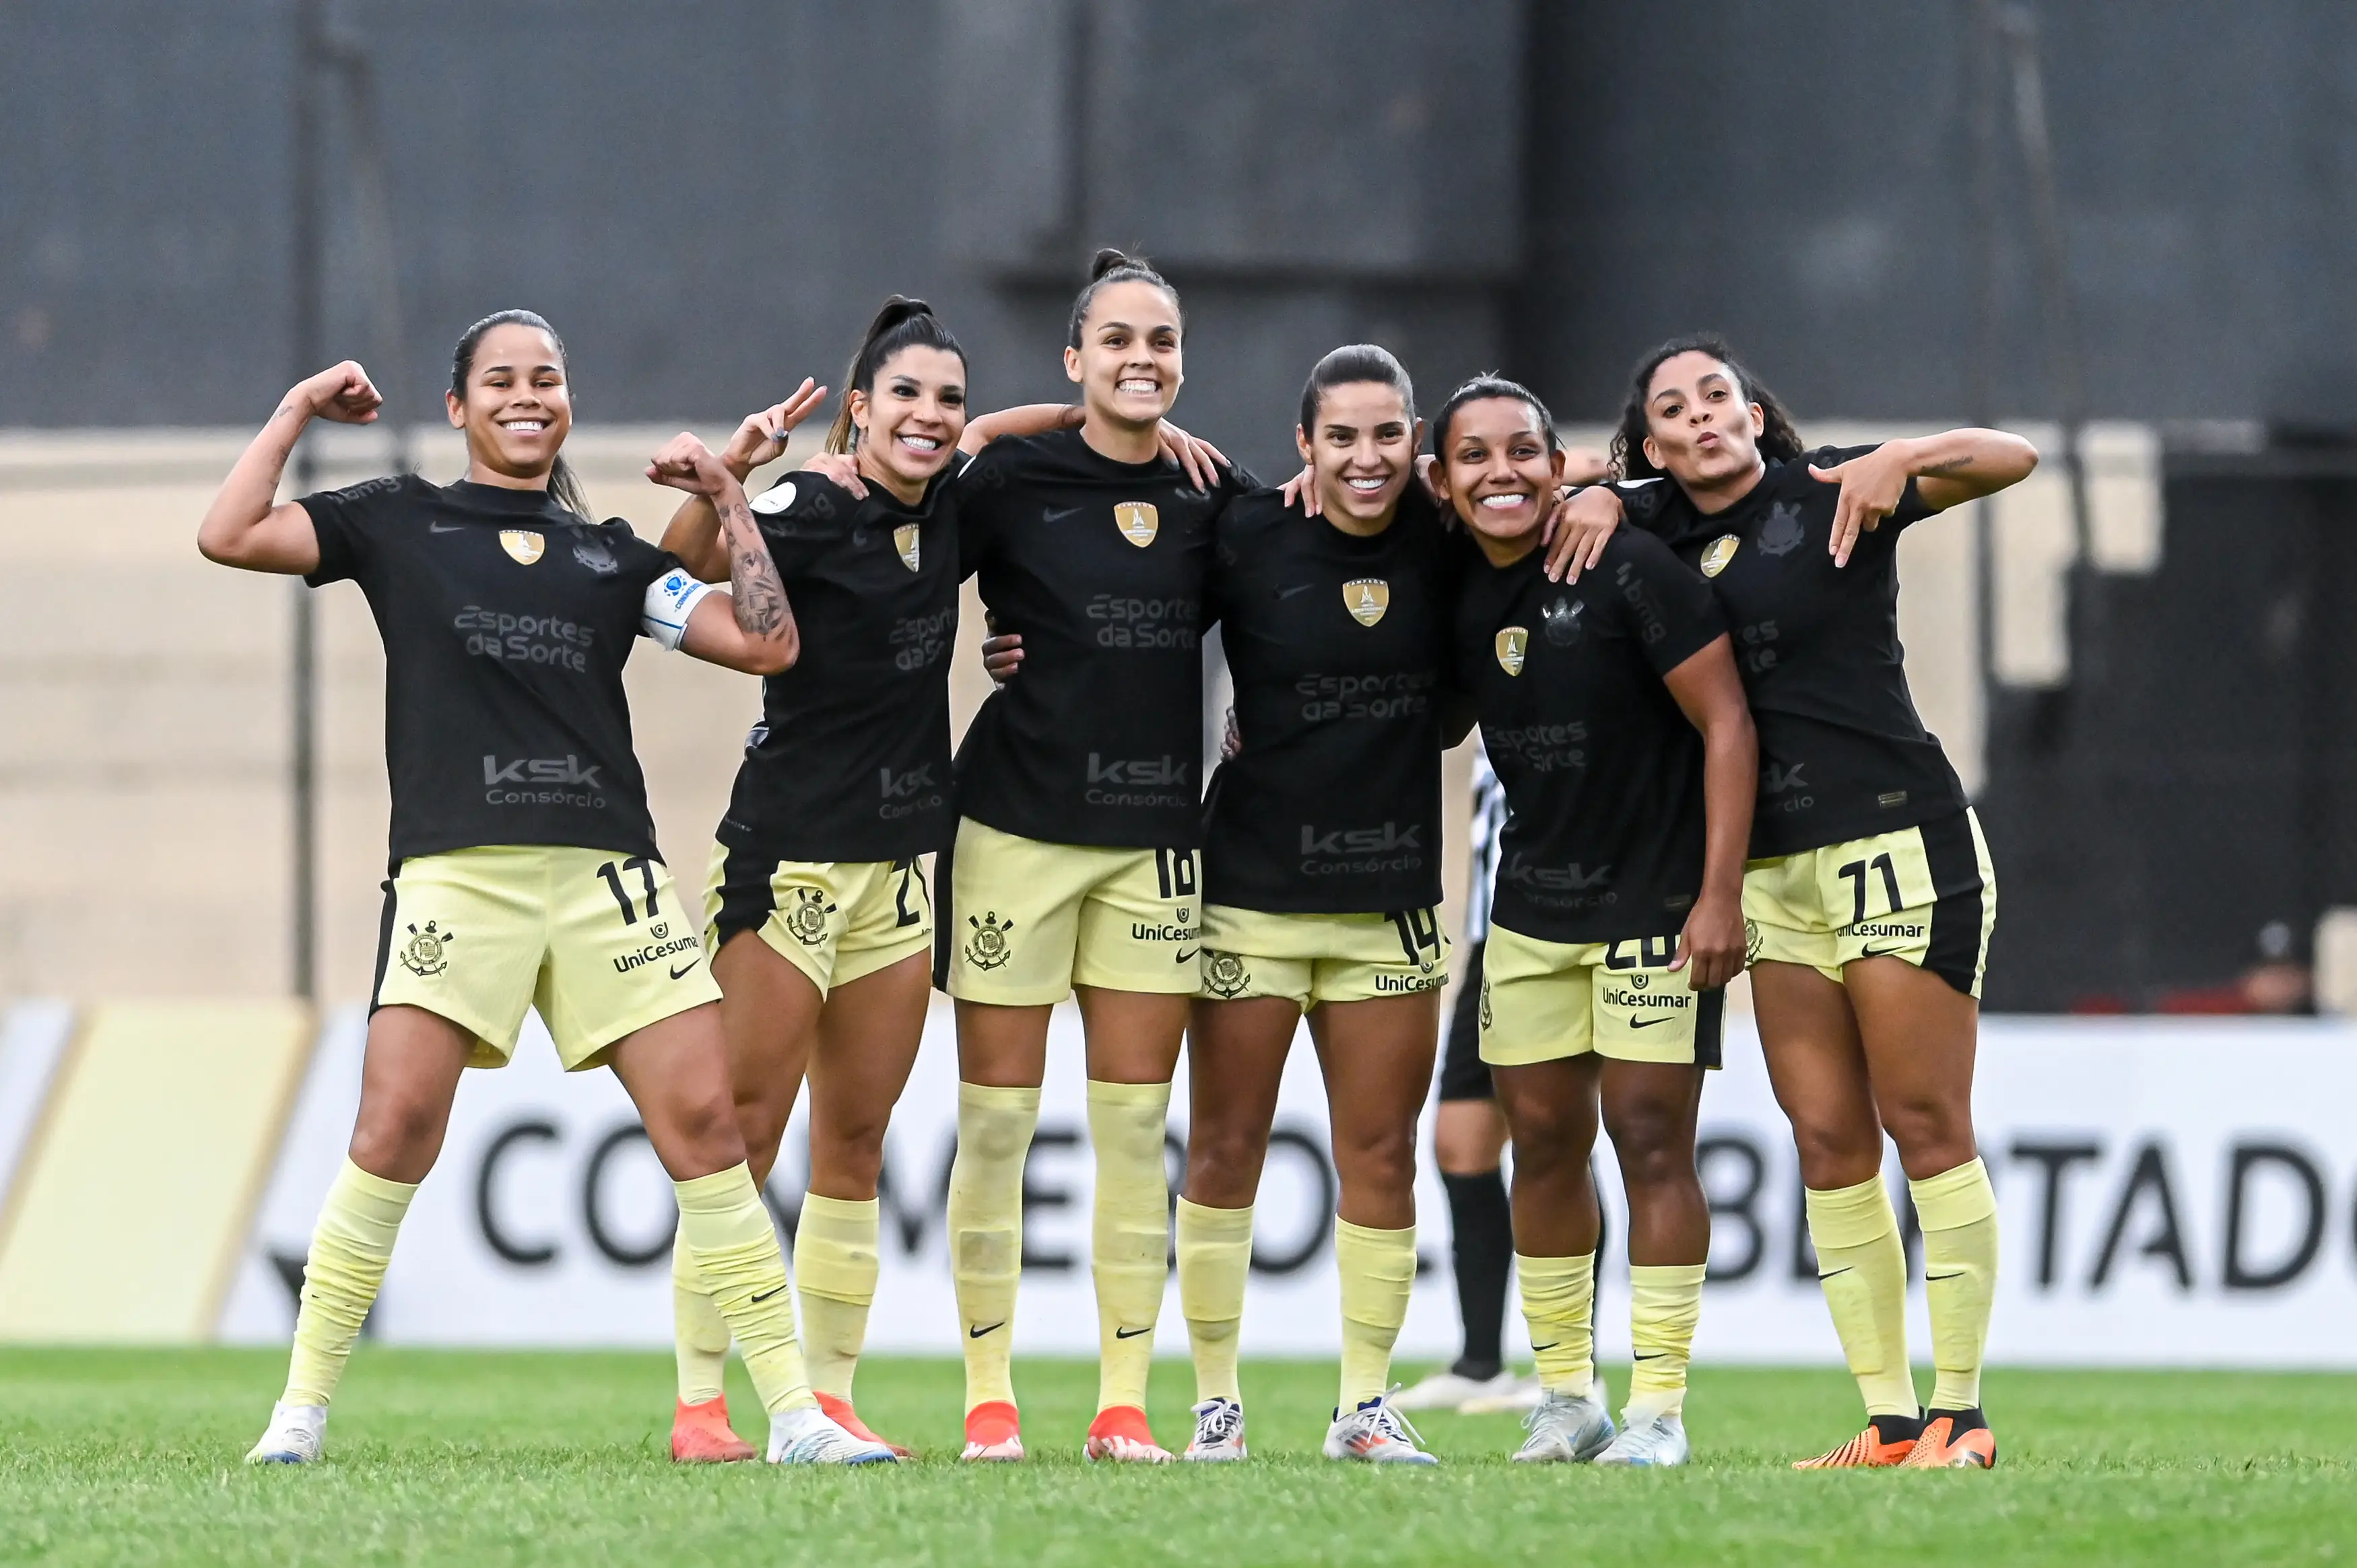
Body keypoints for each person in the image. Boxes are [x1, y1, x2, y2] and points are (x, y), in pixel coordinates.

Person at [203, 310, 895, 1466]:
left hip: (606, 879)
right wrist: (298, 410)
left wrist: (731, 496)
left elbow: (765, 645)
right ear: (458, 406)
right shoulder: (398, 517)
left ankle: (794, 1417)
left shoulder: (609, 556)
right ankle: (299, 1412)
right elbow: (228, 533)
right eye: (503, 380)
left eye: (548, 379)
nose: (529, 396)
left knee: (708, 1127)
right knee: (394, 1125)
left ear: (568, 402)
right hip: (457, 876)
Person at [1597, 335, 2036, 1469]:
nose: (1701, 415)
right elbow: (1515, 483)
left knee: (1924, 1121)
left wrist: (1907, 454)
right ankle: (1891, 1420)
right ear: (1651, 445)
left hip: (1899, 839)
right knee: (1829, 1139)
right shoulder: (1650, 529)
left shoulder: (1839, 486)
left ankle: (1964, 1412)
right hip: (1771, 874)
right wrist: (1597, 495)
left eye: (1717, 395)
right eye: (1673, 410)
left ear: (1753, 411)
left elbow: (2014, 456)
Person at [913, 250, 1251, 1464]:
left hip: (1155, 842)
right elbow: (913, 493)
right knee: (997, 1126)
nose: (1141, 360)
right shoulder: (1011, 478)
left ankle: (1122, 1404)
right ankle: (989, 1399)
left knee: (1134, 1129)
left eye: (1160, 342)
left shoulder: (1212, 491)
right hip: (1011, 829)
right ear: (1074, 358)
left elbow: (1306, 582)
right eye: (1116, 340)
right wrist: (1022, 423)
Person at [651, 298, 968, 1461]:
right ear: (860, 410)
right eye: (907, 395)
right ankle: (700, 1405)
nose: (930, 416)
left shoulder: (953, 501)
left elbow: (1033, 433)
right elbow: (672, 574)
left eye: (950, 399)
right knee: (743, 1132)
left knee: (857, 1140)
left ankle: (831, 1397)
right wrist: (731, 477)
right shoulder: (813, 504)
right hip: (786, 861)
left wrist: (1149, 425)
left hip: (896, 873)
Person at [1434, 376, 1754, 1467]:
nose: (1503, 472)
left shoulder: (1629, 565)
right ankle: (1568, 1397)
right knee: (1543, 1146)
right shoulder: (1452, 585)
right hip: (1528, 916)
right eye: (1474, 456)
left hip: (1655, 906)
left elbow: (1727, 723)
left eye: (1523, 449)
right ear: (1443, 479)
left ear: (1559, 462)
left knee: (1653, 1140)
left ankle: (1659, 1408)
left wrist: (1720, 893)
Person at [1160, 345, 1459, 1466]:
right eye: (1342, 437)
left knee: (1381, 1152)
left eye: (1387, 435)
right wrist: (1015, 644)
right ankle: (1216, 1406)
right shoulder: (1247, 531)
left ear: (1416, 441)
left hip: (1389, 902)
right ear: (1305, 445)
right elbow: (1124, 619)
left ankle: (1365, 1406)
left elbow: (1548, 484)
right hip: (1249, 894)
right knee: (1224, 1145)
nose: (1365, 457)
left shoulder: (1449, 531)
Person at [1390, 742, 1528, 1413]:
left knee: (1554, 1139)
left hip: (1560, 930)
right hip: (1489, 940)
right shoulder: (1493, 705)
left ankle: (1574, 1369)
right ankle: (1480, 1362)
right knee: (1460, 1143)